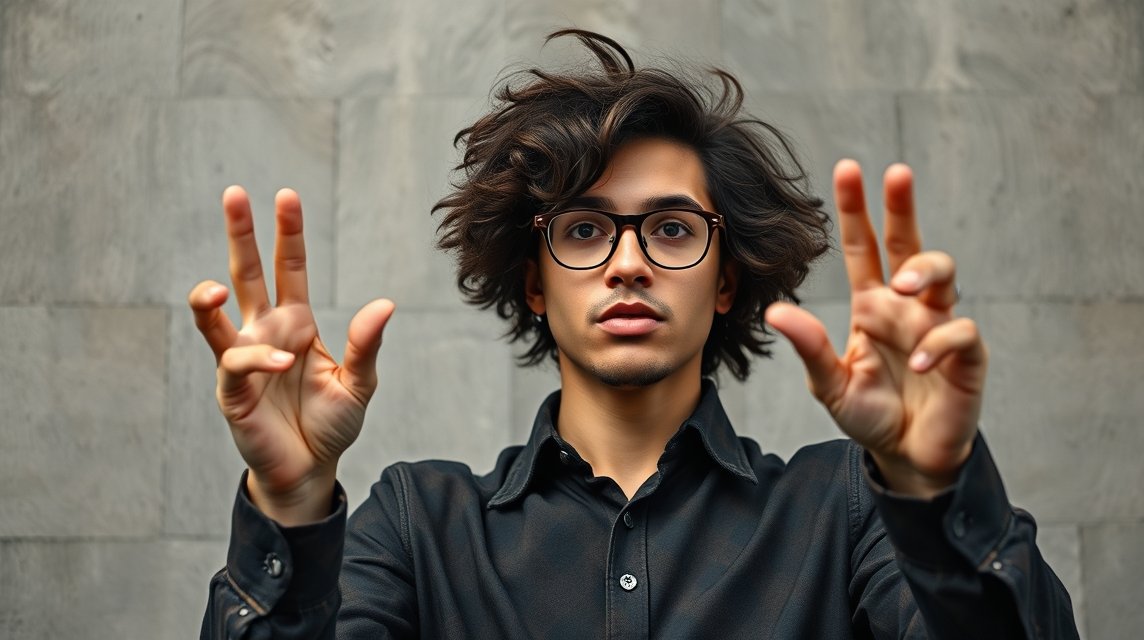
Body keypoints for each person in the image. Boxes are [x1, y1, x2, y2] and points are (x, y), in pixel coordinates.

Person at [196, 31, 1078, 639]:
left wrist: (933, 488)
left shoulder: (845, 511)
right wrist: (289, 503)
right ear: (534, 281)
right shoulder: (417, 526)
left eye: (671, 228)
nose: (627, 264)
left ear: (724, 275)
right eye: (584, 230)